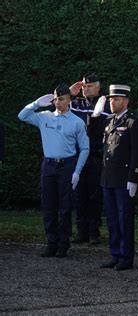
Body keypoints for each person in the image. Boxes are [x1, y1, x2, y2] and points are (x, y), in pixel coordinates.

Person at [18, 84, 90, 258]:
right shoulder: (45, 117)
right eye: (56, 99)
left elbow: (85, 148)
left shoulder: (77, 121)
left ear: (69, 100)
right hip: (49, 165)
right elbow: (22, 116)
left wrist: (77, 171)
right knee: (48, 205)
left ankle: (63, 244)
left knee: (65, 207)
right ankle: (51, 242)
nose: (58, 102)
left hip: (67, 165)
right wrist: (36, 104)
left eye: (62, 99)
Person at [97, 84, 138, 271]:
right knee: (111, 218)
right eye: (110, 99)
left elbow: (137, 153)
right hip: (108, 178)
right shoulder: (109, 122)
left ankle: (126, 257)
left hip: (124, 179)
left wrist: (134, 178)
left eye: (116, 99)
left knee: (124, 218)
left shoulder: (133, 123)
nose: (112, 102)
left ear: (125, 101)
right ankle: (115, 253)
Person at [69, 74, 111, 245]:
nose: (86, 89)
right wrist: (70, 93)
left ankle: (94, 232)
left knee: (94, 196)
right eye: (84, 87)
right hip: (78, 156)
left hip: (96, 156)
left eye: (90, 86)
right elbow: (55, 107)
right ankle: (81, 231)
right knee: (79, 196)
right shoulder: (76, 104)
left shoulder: (106, 105)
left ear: (98, 88)